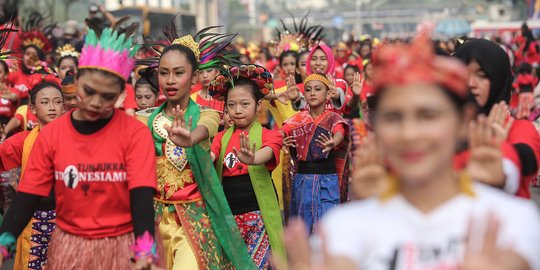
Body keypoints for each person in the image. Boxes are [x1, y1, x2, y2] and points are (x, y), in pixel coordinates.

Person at [278, 35, 540, 270]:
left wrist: (502, 169)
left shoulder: (511, 223)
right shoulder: (341, 228)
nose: (410, 133)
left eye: (428, 115)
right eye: (393, 117)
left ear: (462, 122)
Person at [0, 22, 161, 269]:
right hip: (70, 246)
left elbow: (141, 197)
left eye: (107, 96)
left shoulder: (135, 133)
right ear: (77, 82)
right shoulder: (52, 135)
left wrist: (145, 251)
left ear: (120, 94)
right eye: (89, 91)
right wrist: (4, 243)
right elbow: (29, 195)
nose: (96, 102)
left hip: (120, 247)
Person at [136, 25, 254, 269]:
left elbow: (205, 130)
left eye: (178, 73)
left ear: (194, 76)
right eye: (164, 73)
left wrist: (190, 139)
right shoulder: (142, 119)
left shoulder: (206, 115)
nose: (170, 80)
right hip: (153, 218)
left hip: (194, 220)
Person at [209, 64, 285, 269]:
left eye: (244, 104)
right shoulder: (219, 138)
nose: (237, 110)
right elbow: (210, 156)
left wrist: (253, 158)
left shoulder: (271, 135)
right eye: (232, 105)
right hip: (229, 219)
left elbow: (267, 153)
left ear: (258, 105)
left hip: (258, 217)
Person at [454, 38, 540, 199]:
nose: (471, 83)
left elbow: (527, 159)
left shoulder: (517, 127)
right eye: (464, 74)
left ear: (499, 78)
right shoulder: (443, 126)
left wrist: (500, 153)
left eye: (482, 75)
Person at [0, 78, 63, 270]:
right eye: (45, 102)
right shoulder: (23, 141)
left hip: (66, 221)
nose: (52, 107)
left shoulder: (78, 139)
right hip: (33, 219)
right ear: (33, 109)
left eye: (57, 101)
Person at [281, 73, 350, 234]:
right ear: (303, 94)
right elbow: (283, 132)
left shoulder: (333, 118)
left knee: (328, 225)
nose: (312, 93)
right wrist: (282, 140)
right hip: (303, 180)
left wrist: (334, 141)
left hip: (328, 179)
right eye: (308, 90)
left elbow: (339, 131)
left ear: (327, 95)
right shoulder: (297, 119)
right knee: (304, 227)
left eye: (318, 89)